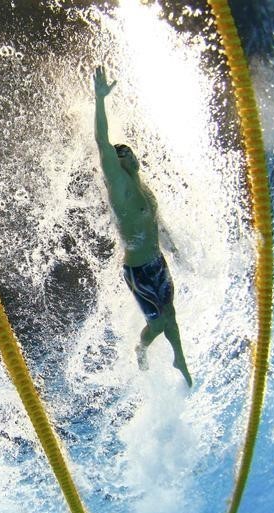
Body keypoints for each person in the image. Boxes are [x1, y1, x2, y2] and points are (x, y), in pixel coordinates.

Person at [93, 66, 192, 387]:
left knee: (171, 312)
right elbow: (102, 143)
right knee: (159, 321)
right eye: (123, 154)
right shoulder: (120, 187)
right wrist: (100, 99)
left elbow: (155, 221)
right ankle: (142, 345)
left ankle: (179, 358)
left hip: (156, 260)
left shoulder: (143, 186)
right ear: (118, 164)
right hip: (139, 270)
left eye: (130, 151)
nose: (129, 154)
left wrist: (173, 246)